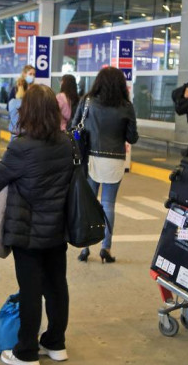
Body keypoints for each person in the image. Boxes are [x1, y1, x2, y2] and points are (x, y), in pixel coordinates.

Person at [0, 84, 73, 365]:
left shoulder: (21, 147)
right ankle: (55, 344)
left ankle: (26, 352)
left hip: (28, 231)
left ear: (28, 111)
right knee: (57, 285)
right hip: (57, 229)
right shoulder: (67, 142)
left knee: (31, 291)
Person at [70, 67, 138, 264]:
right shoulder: (126, 106)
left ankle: (85, 247)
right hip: (115, 159)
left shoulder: (87, 101)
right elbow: (132, 137)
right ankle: (105, 248)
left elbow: (74, 127)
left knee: (88, 204)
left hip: (90, 158)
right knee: (108, 205)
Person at [8, 65, 35, 139]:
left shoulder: (34, 90)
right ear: (24, 74)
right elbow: (9, 107)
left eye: (33, 74)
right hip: (19, 129)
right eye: (30, 74)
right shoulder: (15, 89)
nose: (32, 76)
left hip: (27, 130)